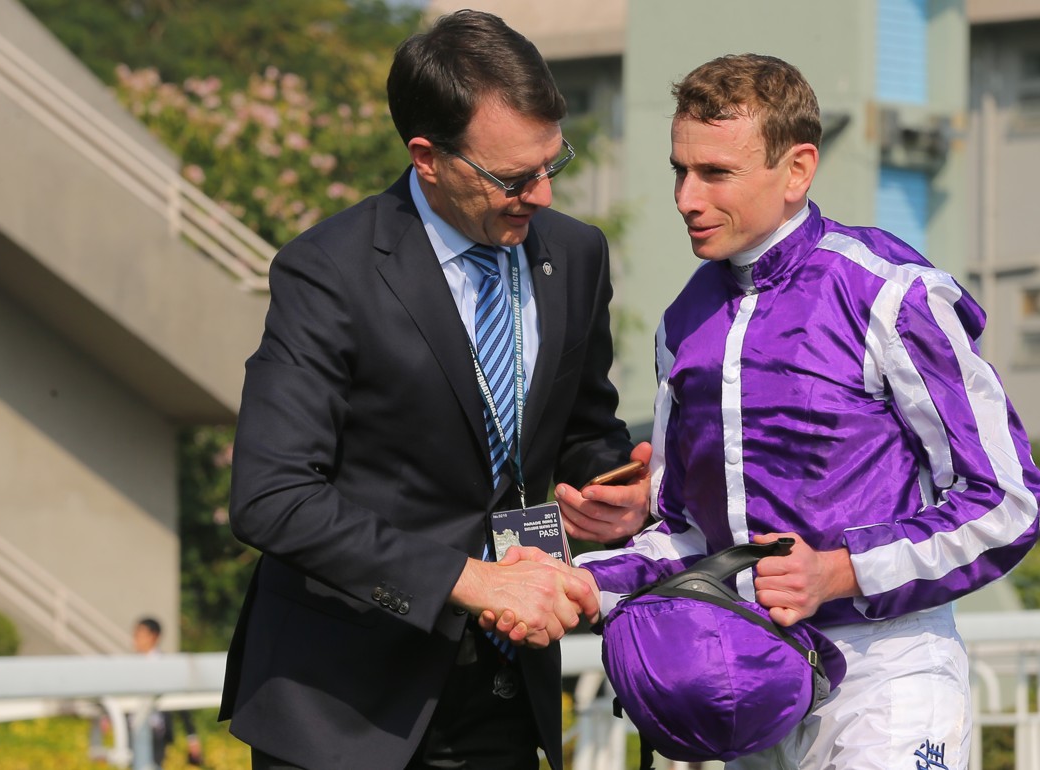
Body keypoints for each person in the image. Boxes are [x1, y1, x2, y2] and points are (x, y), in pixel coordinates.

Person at [570, 54, 1040, 770]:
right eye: (680, 170)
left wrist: (841, 571)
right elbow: (692, 540)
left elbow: (1007, 503)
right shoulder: (684, 322)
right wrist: (580, 580)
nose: (686, 199)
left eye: (716, 174)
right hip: (747, 686)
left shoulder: (891, 293)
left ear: (796, 170)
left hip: (890, 674)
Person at [218, 10, 651, 770]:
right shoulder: (328, 272)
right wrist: (468, 580)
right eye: (514, 178)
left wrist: (609, 485)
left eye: (555, 162)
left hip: (507, 685)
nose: (543, 195)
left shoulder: (577, 256)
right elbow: (271, 495)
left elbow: (580, 426)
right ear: (428, 157)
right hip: (342, 706)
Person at [130, 618, 203, 770]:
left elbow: (181, 703)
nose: (135, 639)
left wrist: (192, 737)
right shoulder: (132, 665)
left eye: (139, 634)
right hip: (134, 729)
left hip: (158, 733)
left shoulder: (166, 665)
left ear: (154, 636)